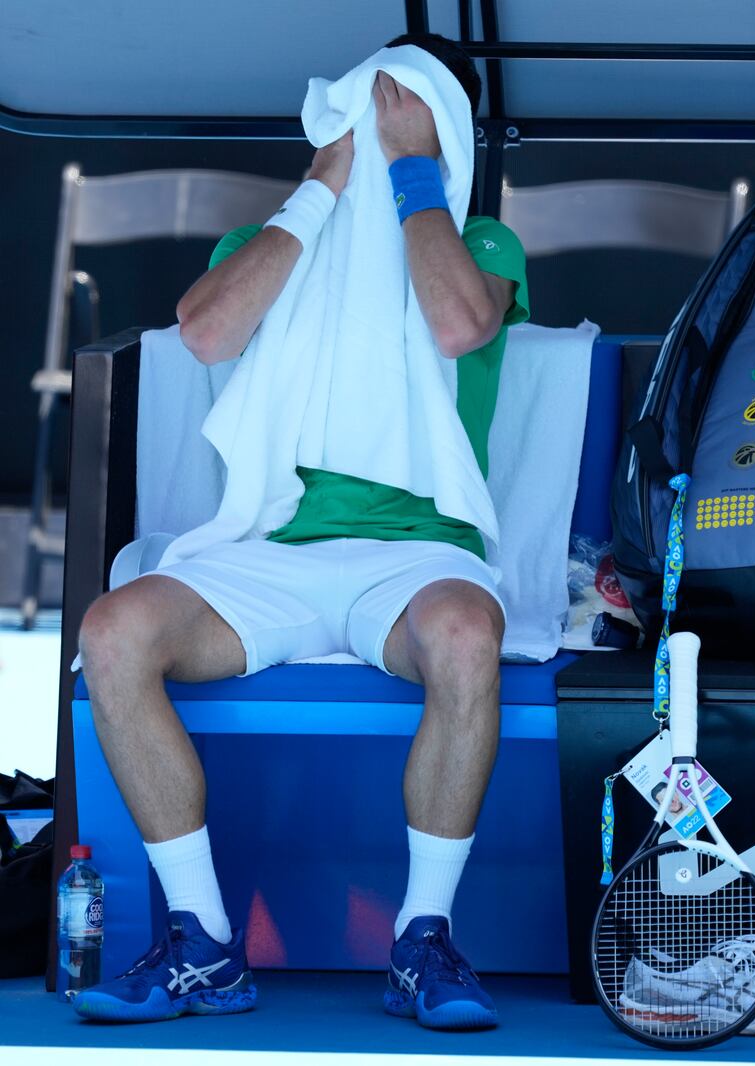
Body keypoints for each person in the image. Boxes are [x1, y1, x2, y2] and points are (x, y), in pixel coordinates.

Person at [72, 32, 529, 1030]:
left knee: (464, 635)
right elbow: (203, 334)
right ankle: (203, 944)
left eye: (405, 112)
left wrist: (410, 169)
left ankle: (420, 942)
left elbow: (455, 325)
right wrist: (321, 189)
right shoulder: (270, 243)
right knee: (111, 633)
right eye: (367, 113)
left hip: (415, 559)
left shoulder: (480, 244)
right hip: (266, 555)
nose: (378, 128)